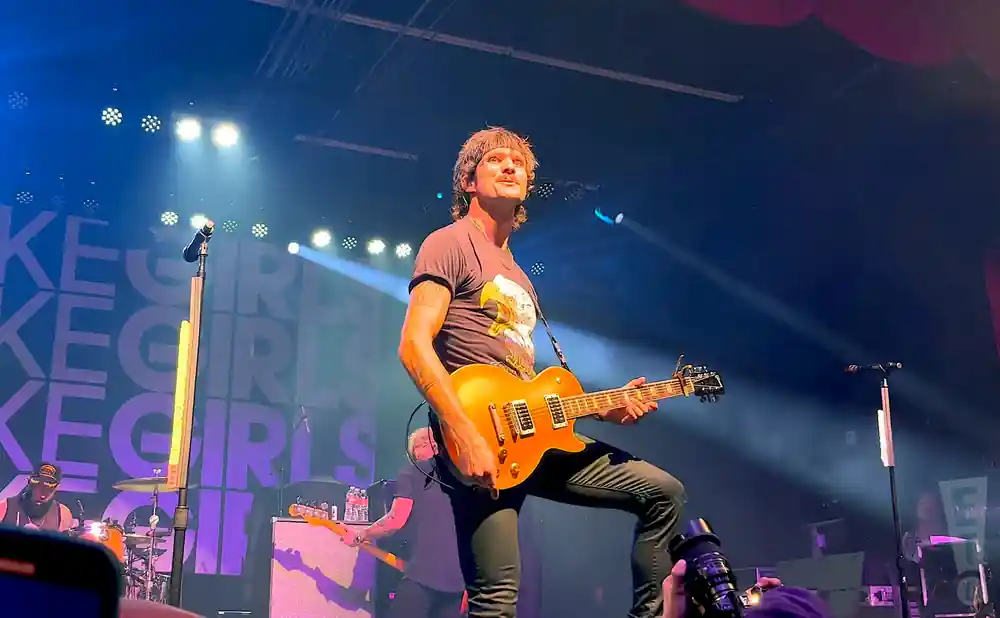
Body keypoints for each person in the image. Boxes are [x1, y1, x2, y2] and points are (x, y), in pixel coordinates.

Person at [398, 126, 686, 618]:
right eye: (495, 159)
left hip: (532, 437)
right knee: (496, 600)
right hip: (479, 435)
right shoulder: (449, 243)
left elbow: (532, 386)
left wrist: (605, 409)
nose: (510, 166)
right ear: (468, 181)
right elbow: (413, 345)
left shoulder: (517, 273)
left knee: (663, 493)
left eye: (519, 163)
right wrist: (463, 432)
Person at [347, 427, 466, 618]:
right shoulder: (462, 476)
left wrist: (362, 534)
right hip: (457, 584)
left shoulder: (412, 473)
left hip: (422, 576)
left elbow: (395, 520)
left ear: (419, 449)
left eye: (415, 449)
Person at [0, 462, 74, 531]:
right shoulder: (5, 507)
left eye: (49, 489)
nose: (42, 495)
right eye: (38, 487)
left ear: (56, 488)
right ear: (29, 483)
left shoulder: (62, 514)